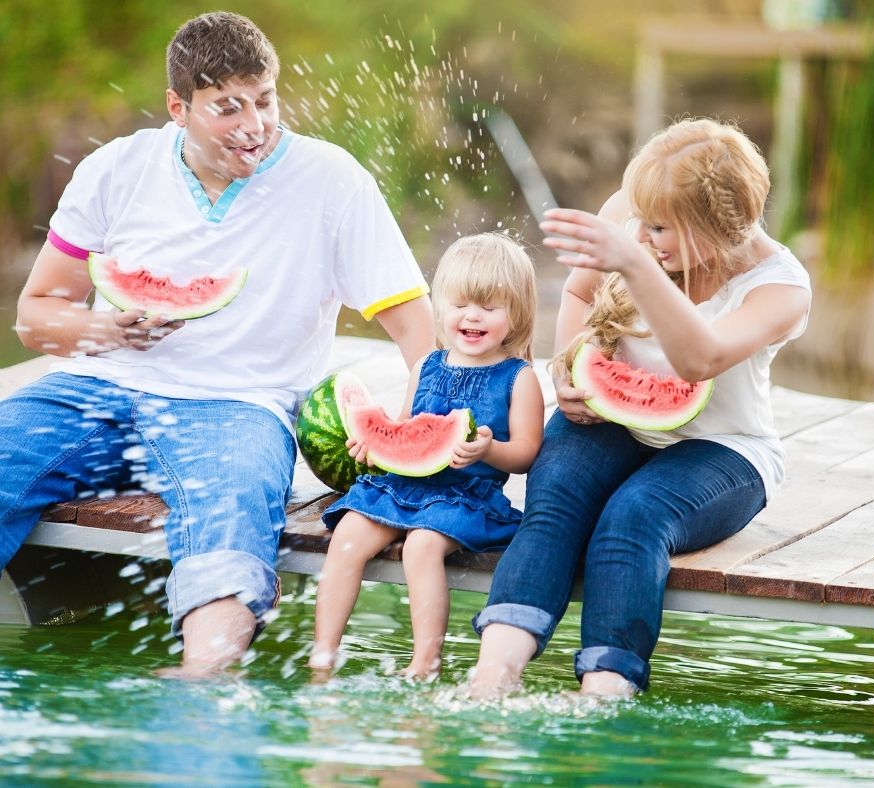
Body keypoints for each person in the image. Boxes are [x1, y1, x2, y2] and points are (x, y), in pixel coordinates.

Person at [2, 11, 435, 677]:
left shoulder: (330, 179)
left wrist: (420, 422)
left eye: (264, 101)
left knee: (230, 527)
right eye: (227, 108)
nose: (254, 126)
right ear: (179, 106)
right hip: (97, 388)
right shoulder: (116, 168)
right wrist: (101, 328)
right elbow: (36, 315)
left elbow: (414, 326)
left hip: (240, 407)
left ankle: (201, 682)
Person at [468, 118, 812, 699]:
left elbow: (699, 361)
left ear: (714, 224)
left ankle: (604, 694)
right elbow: (579, 292)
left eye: (661, 228)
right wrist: (568, 366)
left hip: (725, 450)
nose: (644, 232)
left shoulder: (779, 287)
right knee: (553, 506)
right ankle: (490, 678)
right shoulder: (636, 215)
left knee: (633, 517)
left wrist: (634, 263)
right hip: (612, 420)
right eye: (642, 220)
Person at [310, 233, 544, 680]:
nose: (471, 316)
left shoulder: (520, 378)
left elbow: (527, 453)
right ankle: (323, 652)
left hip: (465, 497)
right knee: (347, 540)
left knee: (420, 548)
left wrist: (490, 449)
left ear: (516, 315)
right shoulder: (426, 366)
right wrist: (372, 451)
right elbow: (404, 430)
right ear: (440, 308)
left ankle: (425, 662)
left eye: (489, 308)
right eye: (459, 305)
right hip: (402, 486)